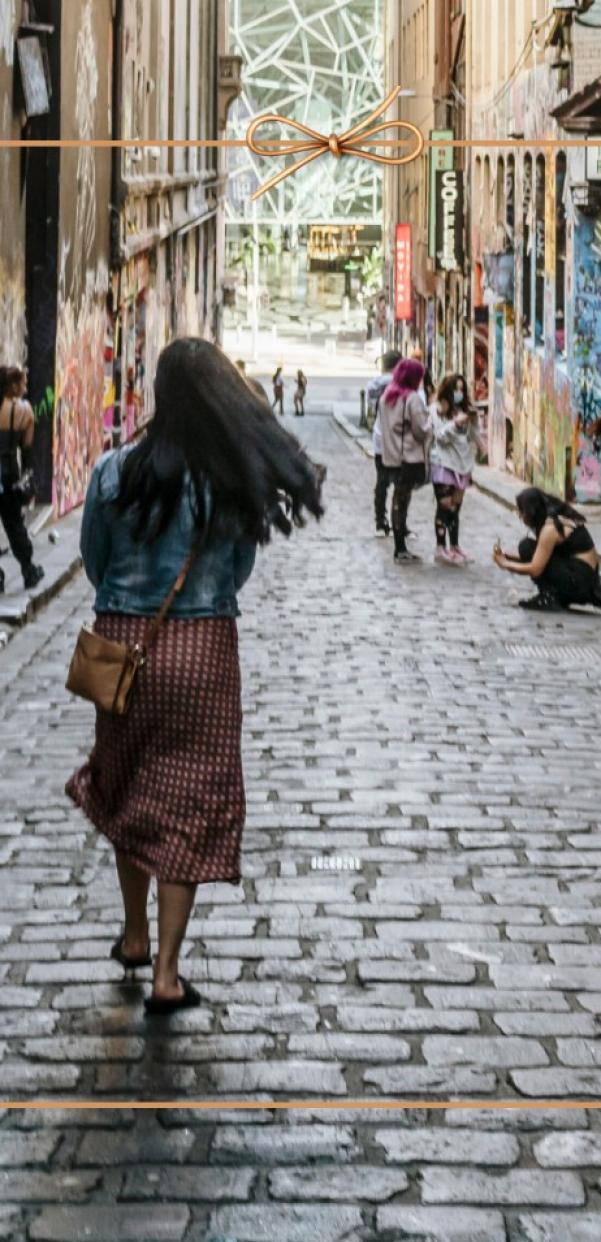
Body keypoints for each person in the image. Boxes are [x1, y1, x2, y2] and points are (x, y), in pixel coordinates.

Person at [66, 338, 323, 1014]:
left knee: (126, 788)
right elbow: (237, 572)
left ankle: (133, 935)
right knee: (186, 804)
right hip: (203, 651)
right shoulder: (224, 479)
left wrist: (129, 597)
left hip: (121, 646)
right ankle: (167, 974)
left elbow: (94, 558)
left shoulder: (112, 470)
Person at [493, 487, 601, 614]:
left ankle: (548, 598)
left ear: (531, 512)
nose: (520, 516)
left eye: (522, 512)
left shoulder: (550, 528)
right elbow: (544, 557)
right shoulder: (556, 517)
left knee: (526, 547)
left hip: (578, 581)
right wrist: (509, 558)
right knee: (527, 549)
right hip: (584, 577)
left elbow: (535, 569)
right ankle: (561, 597)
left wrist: (505, 564)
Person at [378, 357, 429, 564]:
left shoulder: (387, 396)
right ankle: (400, 548)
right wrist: (430, 425)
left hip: (391, 456)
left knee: (397, 498)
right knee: (402, 499)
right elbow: (420, 430)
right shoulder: (412, 399)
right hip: (408, 457)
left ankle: (399, 545)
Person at [0, 365, 44, 593]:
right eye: (23, 383)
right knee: (14, 524)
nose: (26, 388)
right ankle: (28, 570)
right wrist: (28, 481)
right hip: (9, 474)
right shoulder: (24, 411)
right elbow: (27, 450)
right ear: (13, 386)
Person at [429, 374, 481, 565]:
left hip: (462, 464)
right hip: (442, 463)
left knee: (455, 508)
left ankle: (455, 546)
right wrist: (455, 424)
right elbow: (440, 437)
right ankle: (440, 547)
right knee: (445, 505)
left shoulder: (463, 409)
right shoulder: (437, 409)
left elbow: (472, 436)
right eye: (455, 389)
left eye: (462, 389)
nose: (459, 393)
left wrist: (474, 421)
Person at [367, 350, 402, 537]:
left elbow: (370, 410)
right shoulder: (401, 384)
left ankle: (380, 522)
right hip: (397, 440)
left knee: (381, 482)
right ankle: (399, 523)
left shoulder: (373, 385)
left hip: (379, 437)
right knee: (400, 484)